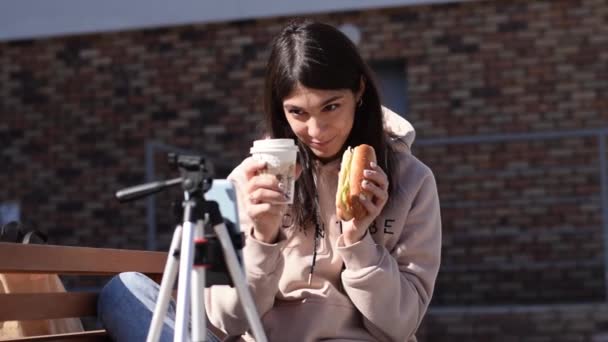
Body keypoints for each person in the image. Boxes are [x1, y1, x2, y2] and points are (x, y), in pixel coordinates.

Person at [98, 20, 441, 342]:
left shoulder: (413, 181)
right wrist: (263, 238)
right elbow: (221, 321)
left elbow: (401, 325)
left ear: (359, 90)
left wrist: (358, 242)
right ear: (281, 110)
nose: (316, 131)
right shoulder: (238, 183)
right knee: (124, 290)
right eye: (298, 113)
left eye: (331, 106)